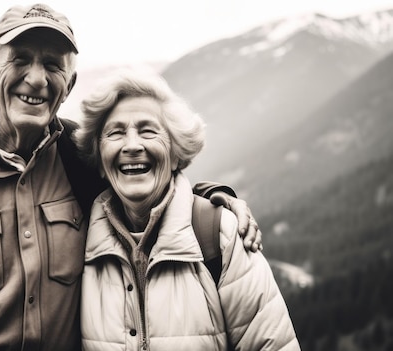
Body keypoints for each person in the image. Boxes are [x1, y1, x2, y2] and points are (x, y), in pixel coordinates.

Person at [0, 4, 262, 351]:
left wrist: (213, 198)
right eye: (20, 59)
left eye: (52, 65)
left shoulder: (80, 158)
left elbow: (148, 188)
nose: (36, 79)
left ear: (69, 83)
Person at [75, 68, 299, 350]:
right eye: (116, 133)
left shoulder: (221, 235)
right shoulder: (77, 240)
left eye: (148, 131)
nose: (132, 145)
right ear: (99, 160)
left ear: (176, 153)